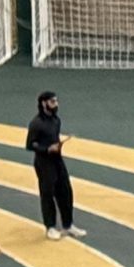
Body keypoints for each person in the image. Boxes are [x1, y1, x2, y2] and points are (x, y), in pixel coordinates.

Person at [26, 90, 79, 240]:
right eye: (53, 101)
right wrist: (47, 149)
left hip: (57, 160)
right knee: (48, 194)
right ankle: (50, 227)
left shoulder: (56, 120)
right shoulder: (36, 124)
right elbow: (30, 145)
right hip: (44, 162)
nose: (56, 104)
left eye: (56, 101)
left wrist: (58, 145)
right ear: (44, 103)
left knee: (66, 191)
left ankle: (68, 225)